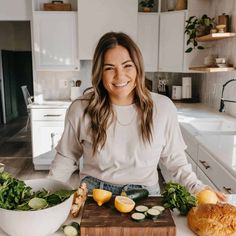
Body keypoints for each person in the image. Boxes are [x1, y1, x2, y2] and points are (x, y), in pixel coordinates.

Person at [48, 32, 226, 200]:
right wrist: (47, 195)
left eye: (127, 65)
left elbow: (175, 161)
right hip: (94, 196)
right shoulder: (81, 108)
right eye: (110, 68)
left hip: (146, 196)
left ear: (138, 67)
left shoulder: (163, 108)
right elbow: (66, 157)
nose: (120, 75)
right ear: (99, 73)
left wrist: (198, 188)